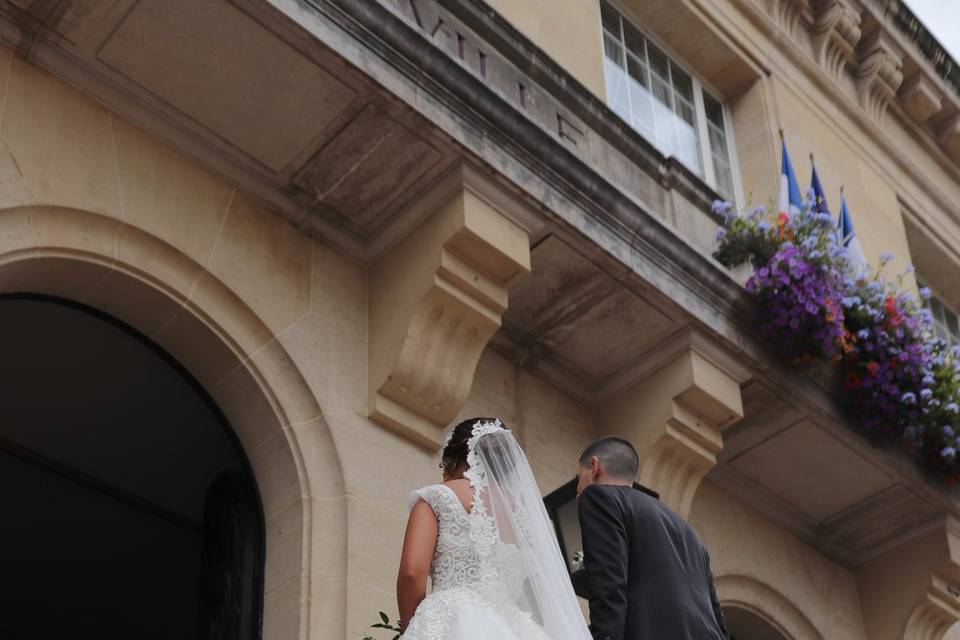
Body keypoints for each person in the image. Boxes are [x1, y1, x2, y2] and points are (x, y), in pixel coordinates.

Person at [397, 417, 593, 640]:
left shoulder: (438, 496)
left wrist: (412, 628)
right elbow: (537, 597)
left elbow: (412, 572)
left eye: (444, 465)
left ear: (457, 458)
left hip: (455, 619)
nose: (443, 473)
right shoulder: (527, 518)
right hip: (514, 628)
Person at [577, 436, 729, 640]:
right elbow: (717, 615)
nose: (578, 491)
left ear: (595, 466)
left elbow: (609, 582)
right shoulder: (689, 532)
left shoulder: (599, 498)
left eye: (579, 478)